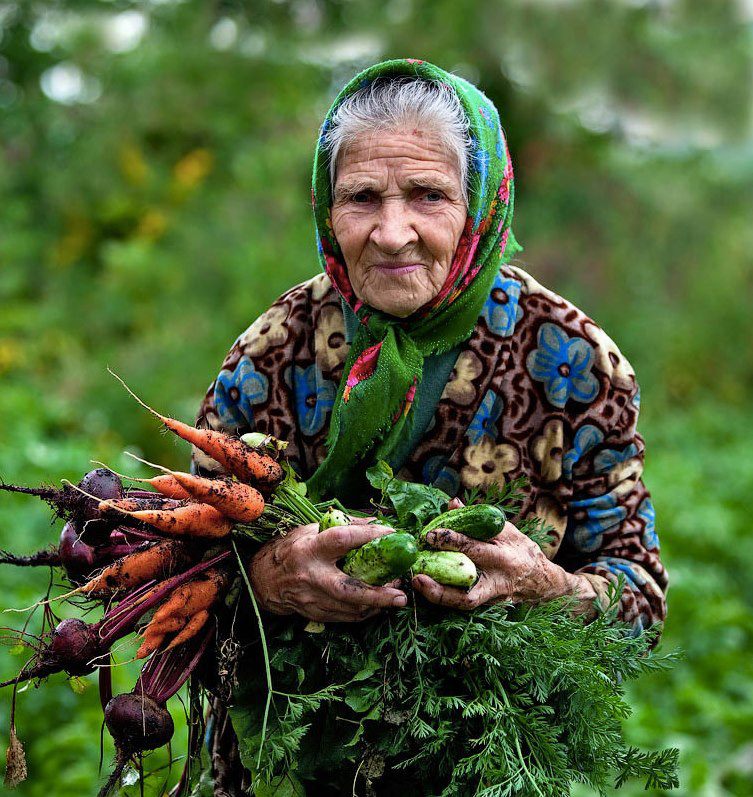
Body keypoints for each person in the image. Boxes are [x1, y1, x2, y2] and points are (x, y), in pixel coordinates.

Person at [192, 58, 667, 794]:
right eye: (361, 197)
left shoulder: (571, 360)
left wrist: (539, 584)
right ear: (327, 208)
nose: (391, 232)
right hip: (289, 763)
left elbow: (638, 606)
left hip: (491, 766)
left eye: (427, 194)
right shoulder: (274, 348)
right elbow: (186, 564)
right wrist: (268, 577)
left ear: (478, 203)